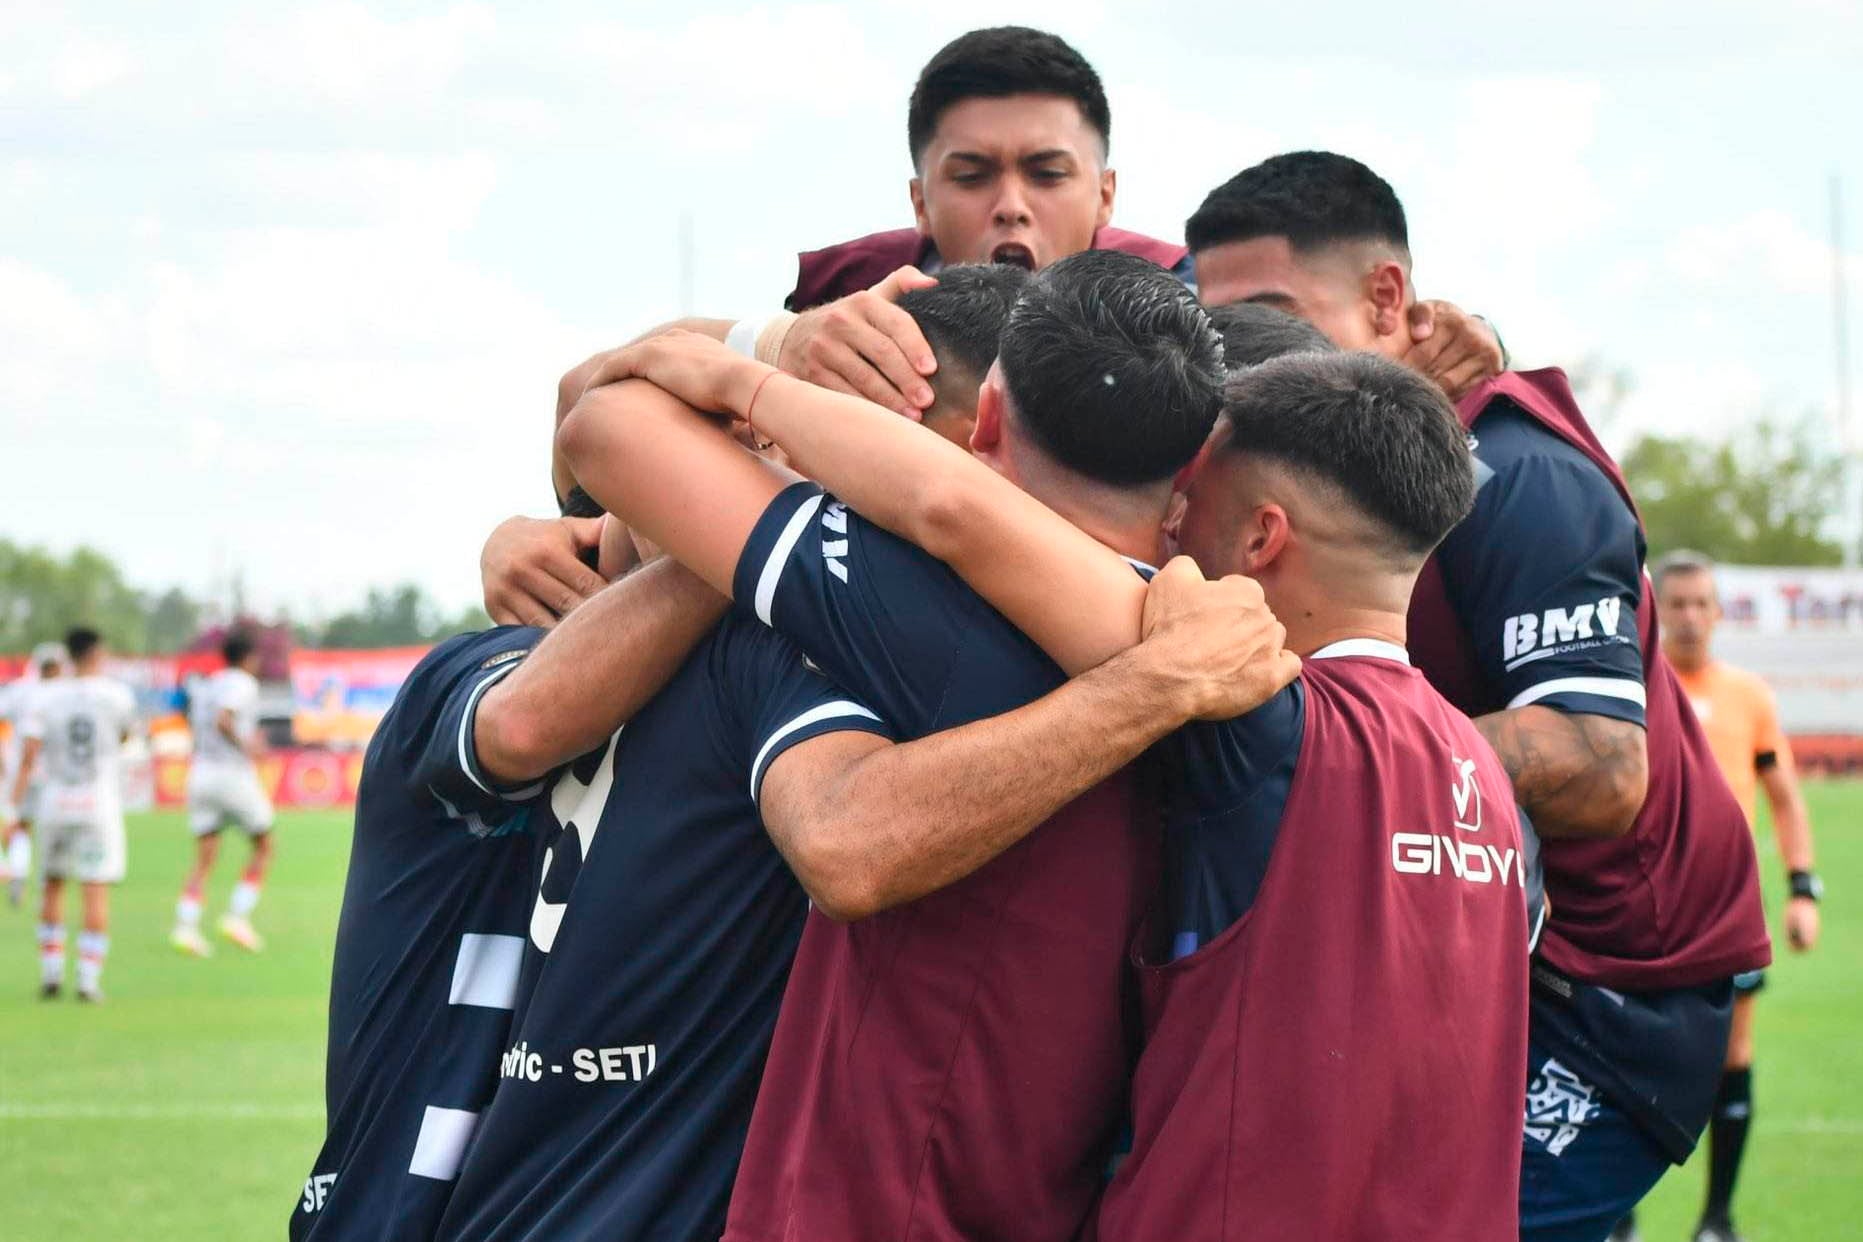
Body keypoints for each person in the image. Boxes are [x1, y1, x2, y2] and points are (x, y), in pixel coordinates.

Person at [590, 325, 1537, 1238]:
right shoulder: (1489, 784)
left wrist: (745, 378)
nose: (1167, 528)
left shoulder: (1263, 715)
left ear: (1261, 540)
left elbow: (954, 511)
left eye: (1188, 500)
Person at [443, 264, 1292, 1242]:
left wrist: (766, 355)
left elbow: (604, 426)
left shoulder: (914, 608)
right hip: (1068, 1199)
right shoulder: (1263, 674)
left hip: (872, 1209)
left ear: (988, 420)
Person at [1184, 149, 1770, 1240]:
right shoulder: (1278, 460)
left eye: (1273, 315)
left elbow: (1600, 768)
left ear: (1388, 300)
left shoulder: (1515, 475)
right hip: (1464, 948)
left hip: (1607, 992)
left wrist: (1310, 746)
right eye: (1219, 333)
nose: (1244, 363)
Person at [709, 25, 1503, 423]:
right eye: (972, 174)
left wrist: (1471, 335)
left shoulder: (1175, 298)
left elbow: (1332, 335)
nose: (1011, 203)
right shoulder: (852, 293)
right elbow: (647, 372)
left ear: (1105, 196)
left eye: (1047, 173)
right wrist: (778, 343)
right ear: (919, 201)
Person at [293, 550, 732, 1241]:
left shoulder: (750, 675)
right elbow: (521, 725)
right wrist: (745, 536)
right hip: (397, 1215)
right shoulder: (486, 666)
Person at [1611, 550, 1823, 1242]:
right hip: (1638, 905)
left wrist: (1800, 887)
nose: (1690, 617)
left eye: (1702, 604)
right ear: (1655, 610)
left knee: (1732, 1057)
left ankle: (1716, 1220)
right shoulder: (1630, 685)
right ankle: (1618, 1216)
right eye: (1676, 604)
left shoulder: (1748, 696)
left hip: (1726, 908)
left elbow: (1784, 800)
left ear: (1717, 611)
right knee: (1619, 1054)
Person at [7, 628, 136, 1002]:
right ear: (98, 654)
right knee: (95, 889)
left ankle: (50, 974)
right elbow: (125, 737)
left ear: (69, 655)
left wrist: (13, 806)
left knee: (52, 884)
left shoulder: (47, 697)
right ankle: (87, 980)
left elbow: (29, 754)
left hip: (56, 800)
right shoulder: (116, 695)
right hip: (97, 802)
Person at [174, 631, 275, 956]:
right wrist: (247, 745)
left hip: (200, 771)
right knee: (264, 845)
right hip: (231, 774)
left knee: (205, 856)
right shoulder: (241, 683)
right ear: (247, 657)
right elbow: (224, 719)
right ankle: (237, 917)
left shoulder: (208, 684)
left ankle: (185, 927)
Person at [0, 642, 68, 908]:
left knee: (20, 825)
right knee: (53, 831)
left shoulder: (20, 691)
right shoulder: (66, 693)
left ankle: (18, 871)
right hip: (56, 773)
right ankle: (46, 888)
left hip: (23, 770)